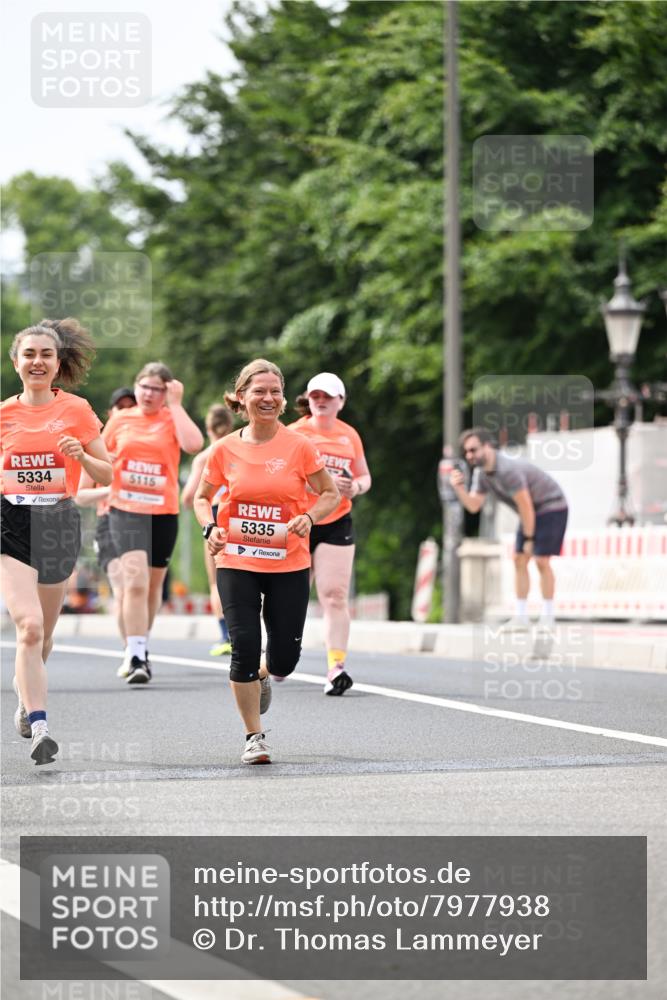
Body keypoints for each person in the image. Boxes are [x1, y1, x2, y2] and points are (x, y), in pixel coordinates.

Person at [193, 360, 339, 765]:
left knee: (283, 660)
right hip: (236, 559)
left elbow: (330, 493)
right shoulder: (224, 450)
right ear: (241, 397)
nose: (269, 398)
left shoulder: (299, 446)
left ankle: (265, 672)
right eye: (259, 391)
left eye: (275, 391)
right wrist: (210, 528)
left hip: (288, 562)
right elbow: (202, 498)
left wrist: (308, 517)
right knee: (242, 646)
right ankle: (253, 735)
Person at [1, 319, 112, 765]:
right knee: (27, 627)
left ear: (58, 362)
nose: (37, 362)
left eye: (46, 354)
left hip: (58, 522)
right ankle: (41, 725)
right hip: (11, 522)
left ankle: (27, 699)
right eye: (29, 354)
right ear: (16, 362)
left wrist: (81, 456)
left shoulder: (78, 411)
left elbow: (107, 473)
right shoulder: (3, 415)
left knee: (43, 636)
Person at [103, 362, 203, 684]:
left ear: (167, 391)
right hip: (125, 509)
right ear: (135, 387)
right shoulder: (120, 420)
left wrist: (176, 405)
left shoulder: (172, 418)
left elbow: (194, 445)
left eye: (156, 389)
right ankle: (134, 655)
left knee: (153, 588)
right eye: (143, 387)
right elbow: (99, 457)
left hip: (163, 511)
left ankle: (141, 646)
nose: (148, 394)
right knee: (134, 582)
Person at [291, 372, 371, 695]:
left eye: (327, 396)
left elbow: (365, 477)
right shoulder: (294, 434)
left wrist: (355, 487)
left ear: (341, 401)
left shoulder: (349, 435)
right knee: (291, 597)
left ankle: (336, 666)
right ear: (308, 401)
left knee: (335, 595)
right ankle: (280, 655)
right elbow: (281, 477)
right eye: (314, 396)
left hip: (337, 521)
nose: (320, 402)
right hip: (300, 520)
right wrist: (317, 485)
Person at [450, 427, 568, 630]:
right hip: (531, 511)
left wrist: (530, 539)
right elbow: (474, 505)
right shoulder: (482, 474)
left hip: (551, 506)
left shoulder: (507, 470)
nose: (470, 455)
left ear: (487, 446)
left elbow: (525, 504)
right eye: (466, 452)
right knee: (519, 560)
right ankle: (521, 617)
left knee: (541, 560)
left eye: (473, 450)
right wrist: (459, 489)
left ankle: (548, 618)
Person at [76, 386, 136, 676]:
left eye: (131, 406)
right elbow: (81, 496)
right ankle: (131, 652)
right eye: (120, 406)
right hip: (109, 521)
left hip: (140, 523)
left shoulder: (144, 449)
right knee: (123, 588)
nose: (125, 411)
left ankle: (140, 645)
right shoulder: (100, 452)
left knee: (141, 590)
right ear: (110, 413)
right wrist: (114, 490)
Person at [181, 403, 234, 656]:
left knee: (216, 581)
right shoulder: (239, 449)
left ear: (208, 428)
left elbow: (188, 496)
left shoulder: (205, 457)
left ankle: (226, 636)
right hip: (239, 514)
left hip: (215, 516)